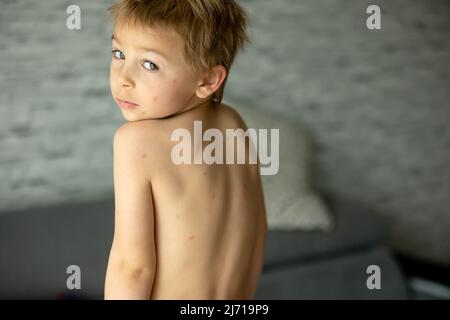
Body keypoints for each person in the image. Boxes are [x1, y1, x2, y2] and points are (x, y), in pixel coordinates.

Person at [104, 0, 267, 300]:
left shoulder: (136, 141)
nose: (123, 78)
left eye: (149, 64)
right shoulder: (233, 123)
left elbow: (132, 267)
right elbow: (258, 231)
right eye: (119, 54)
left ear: (208, 80)